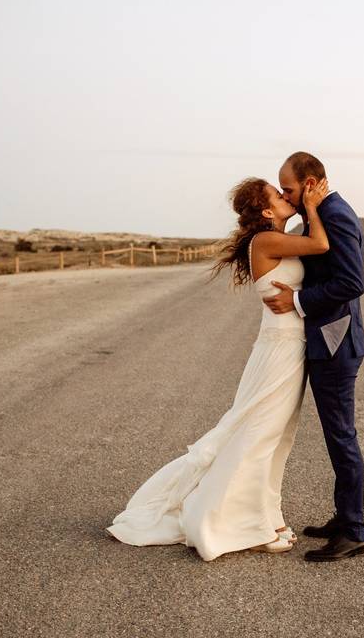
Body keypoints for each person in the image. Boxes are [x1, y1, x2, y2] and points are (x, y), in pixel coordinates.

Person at [105, 175, 330, 561]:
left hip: (288, 345)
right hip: (279, 348)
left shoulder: (275, 237)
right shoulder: (266, 240)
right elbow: (321, 244)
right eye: (278, 195)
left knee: (276, 437)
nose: (284, 196)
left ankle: (269, 517)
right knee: (259, 435)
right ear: (265, 210)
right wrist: (311, 206)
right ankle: (245, 524)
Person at [263, 151, 364, 562]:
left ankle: (355, 530)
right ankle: (344, 518)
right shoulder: (317, 212)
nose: (286, 195)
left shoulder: (337, 215)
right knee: (335, 435)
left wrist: (298, 301)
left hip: (336, 341)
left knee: (342, 435)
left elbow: (351, 281)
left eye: (288, 187)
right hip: (326, 340)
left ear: (309, 183)